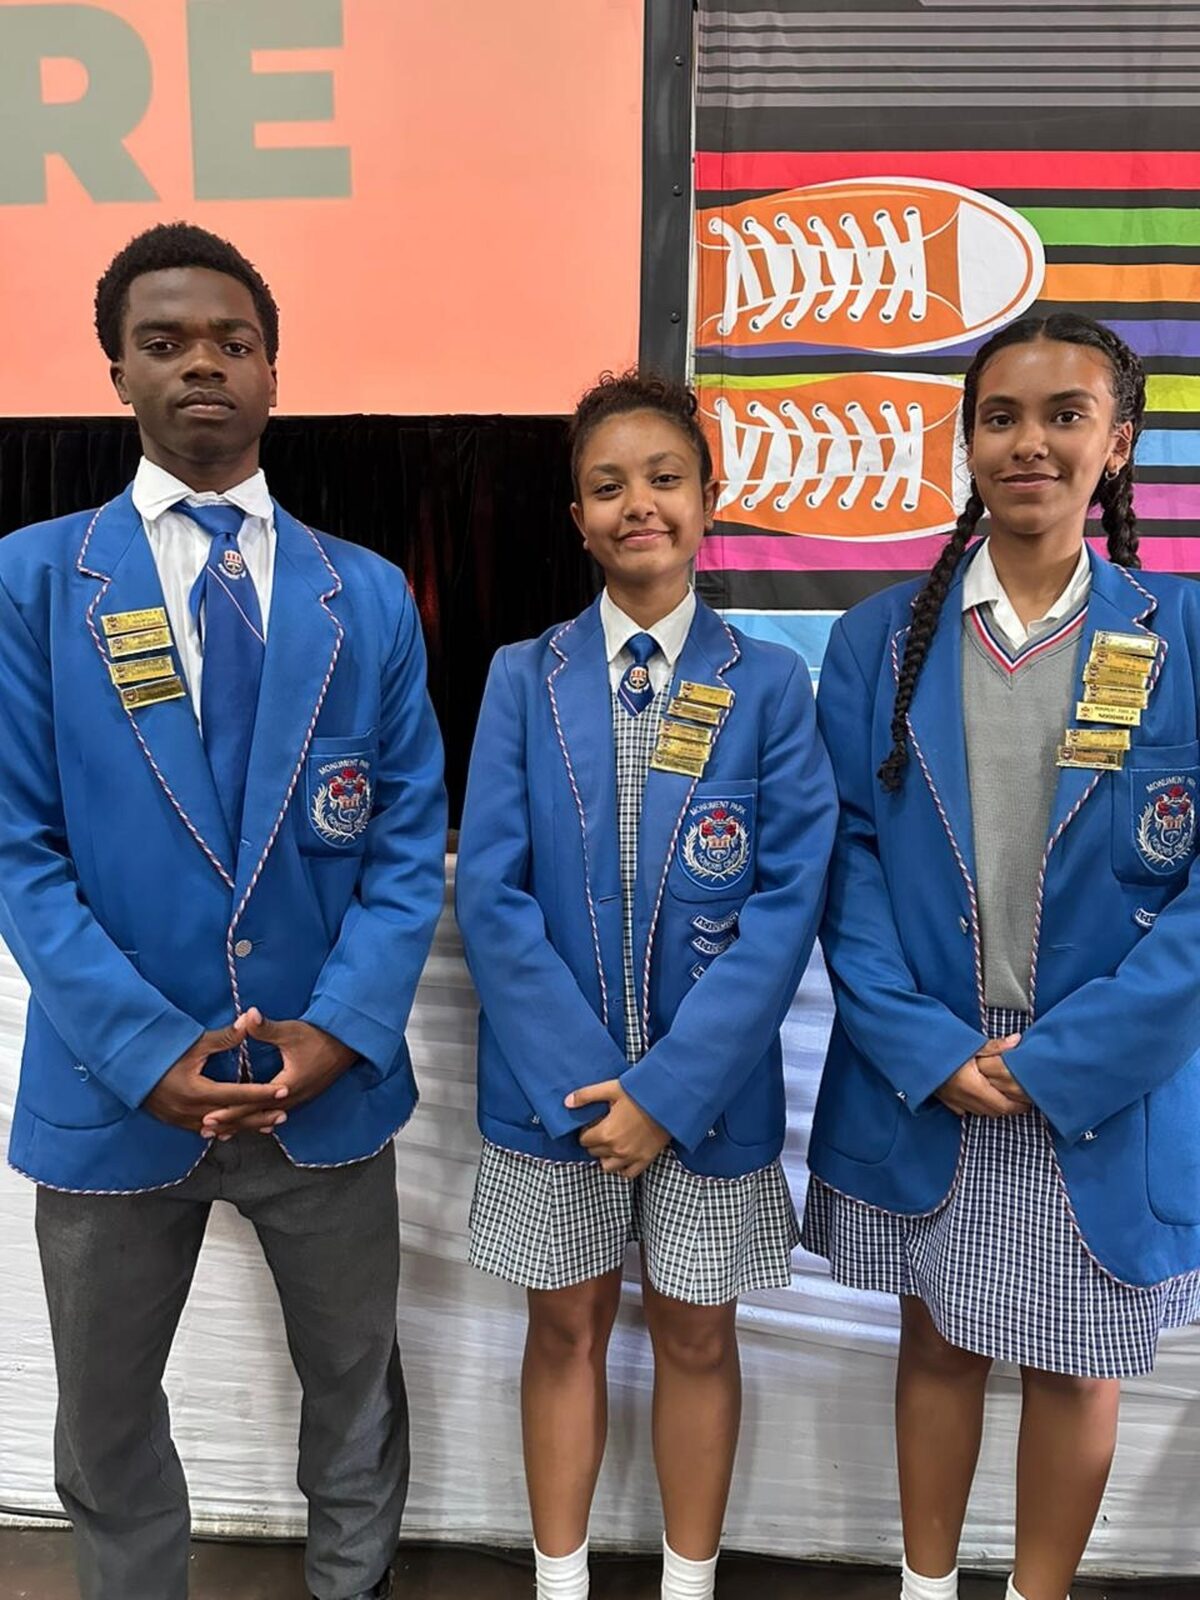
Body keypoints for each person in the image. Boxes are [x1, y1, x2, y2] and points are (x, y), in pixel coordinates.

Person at [0, 222, 446, 1600]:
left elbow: (407, 837)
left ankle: (348, 1587)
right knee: (107, 1419)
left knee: (354, 1389)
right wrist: (147, 1054)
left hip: (326, 1089)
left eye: (232, 342)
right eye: (166, 341)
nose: (203, 363)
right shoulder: (30, 583)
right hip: (111, 1092)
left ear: (273, 369)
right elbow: (22, 851)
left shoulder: (362, 593)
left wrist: (341, 1031)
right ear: (116, 371)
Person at [801, 313, 1200, 1600]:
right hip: (938, 1064)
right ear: (967, 442)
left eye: (1065, 415)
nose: (1030, 441)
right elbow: (846, 864)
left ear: (1118, 447)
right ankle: (927, 1589)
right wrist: (927, 1046)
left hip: (1100, 1075)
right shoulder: (877, 641)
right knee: (937, 1339)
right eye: (1000, 416)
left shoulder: (1183, 631)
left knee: (1080, 1364)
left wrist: (1069, 1059)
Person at [455, 370, 835, 1600]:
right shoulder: (524, 675)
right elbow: (494, 893)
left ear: (708, 499)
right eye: (608, 486)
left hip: (709, 1100)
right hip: (552, 1098)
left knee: (696, 1332)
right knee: (562, 1330)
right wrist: (594, 1084)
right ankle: (559, 1582)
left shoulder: (771, 686)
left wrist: (666, 1089)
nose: (639, 505)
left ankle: (687, 1581)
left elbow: (786, 905)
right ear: (576, 516)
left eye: (664, 478)